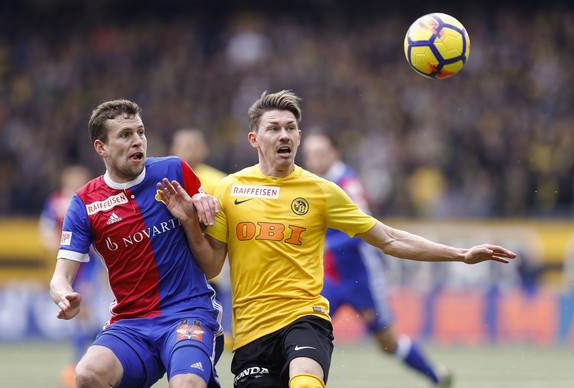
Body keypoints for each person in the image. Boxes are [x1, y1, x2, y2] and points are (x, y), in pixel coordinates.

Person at [156, 90, 516, 388]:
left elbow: (388, 238)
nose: (284, 135)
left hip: (305, 316)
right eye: (274, 128)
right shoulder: (229, 189)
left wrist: (461, 254)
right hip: (251, 330)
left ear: (298, 136)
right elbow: (213, 265)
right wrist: (190, 224)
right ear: (254, 139)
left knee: (307, 381)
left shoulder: (322, 191)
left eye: (291, 128)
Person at [49, 99, 224, 388]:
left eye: (140, 132)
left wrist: (193, 218)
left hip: (187, 313)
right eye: (125, 135)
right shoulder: (84, 203)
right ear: (100, 147)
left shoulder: (174, 172)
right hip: (131, 323)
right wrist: (63, 294)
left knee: (187, 384)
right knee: (87, 374)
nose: (137, 141)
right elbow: (60, 276)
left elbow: (212, 265)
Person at [301, 131, 451, 386]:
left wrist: (319, 244)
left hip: (363, 280)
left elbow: (362, 230)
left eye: (320, 154)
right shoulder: (310, 183)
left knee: (387, 343)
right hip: (330, 280)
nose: (314, 161)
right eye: (310, 155)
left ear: (336, 154)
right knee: (304, 332)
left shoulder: (348, 184)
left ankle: (436, 376)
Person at [40, 165, 108, 388]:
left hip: (88, 265)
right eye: (73, 175)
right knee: (83, 315)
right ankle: (81, 361)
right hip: (70, 264)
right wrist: (61, 246)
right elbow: (46, 231)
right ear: (65, 178)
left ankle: (79, 362)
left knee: (85, 312)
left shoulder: (90, 199)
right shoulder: (56, 201)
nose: (77, 178)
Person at [170, 129, 232, 347]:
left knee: (217, 298)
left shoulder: (218, 181)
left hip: (209, 257)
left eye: (194, 146)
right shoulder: (165, 181)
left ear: (203, 149)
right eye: (183, 146)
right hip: (175, 261)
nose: (189, 151)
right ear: (173, 150)